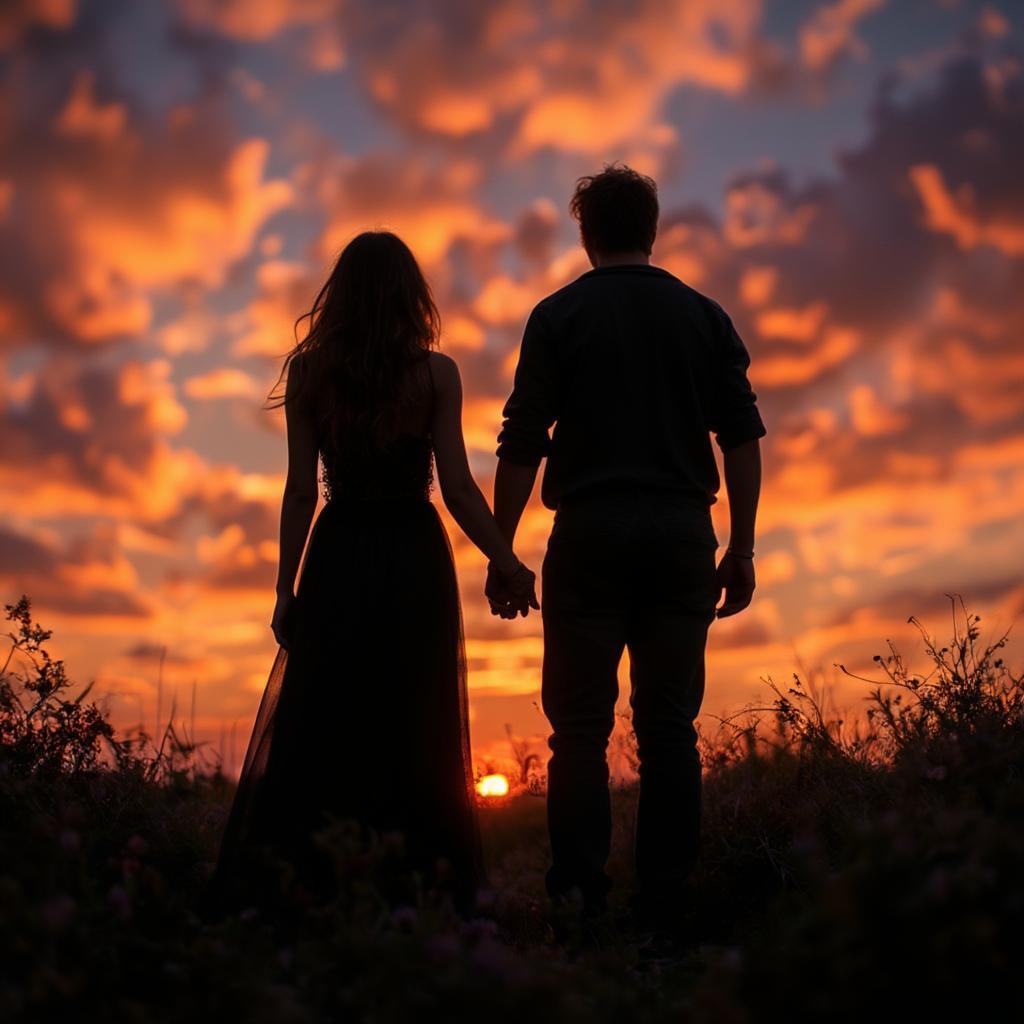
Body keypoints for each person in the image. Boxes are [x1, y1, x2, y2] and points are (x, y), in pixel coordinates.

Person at [205, 230, 538, 920]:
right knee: (414, 720)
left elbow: (301, 491)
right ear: (410, 296)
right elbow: (458, 488)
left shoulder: (310, 374)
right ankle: (414, 897)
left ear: (341, 296)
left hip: (337, 553)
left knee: (328, 720)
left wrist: (284, 587)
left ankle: (318, 890)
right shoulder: (436, 374)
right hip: (415, 557)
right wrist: (504, 561)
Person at [487, 163, 766, 942]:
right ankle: (665, 910)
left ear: (586, 234)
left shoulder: (557, 315)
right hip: (682, 533)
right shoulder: (703, 317)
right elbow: (741, 438)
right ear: (651, 229)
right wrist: (741, 546)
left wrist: (503, 550)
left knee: (578, 731)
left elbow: (522, 443)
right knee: (669, 727)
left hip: (590, 533)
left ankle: (579, 909)